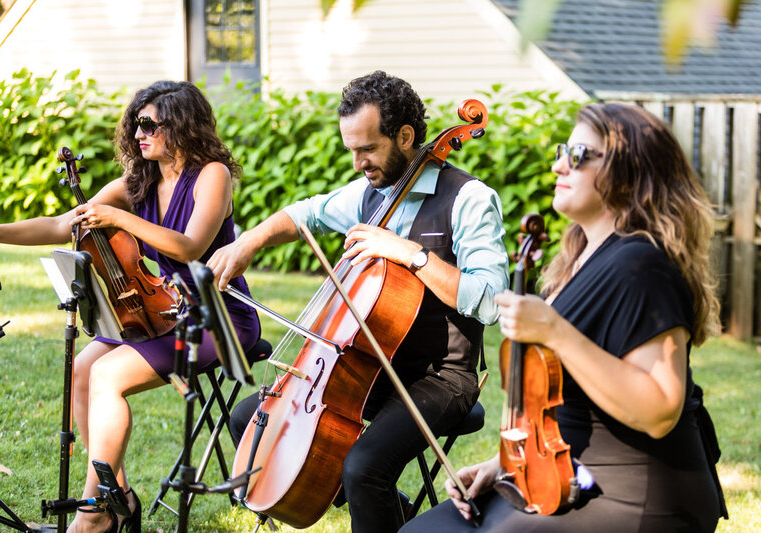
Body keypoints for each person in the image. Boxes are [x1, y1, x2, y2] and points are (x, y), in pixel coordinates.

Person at [401, 102, 728, 533]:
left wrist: (555, 331)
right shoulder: (579, 258)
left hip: (631, 491)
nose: (558, 165)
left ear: (630, 173)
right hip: (559, 472)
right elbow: (561, 403)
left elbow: (660, 410)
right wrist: (501, 464)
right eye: (562, 152)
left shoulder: (643, 264)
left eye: (578, 155)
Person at [206, 70, 509, 533]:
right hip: (366, 362)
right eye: (351, 149)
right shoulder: (371, 194)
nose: (356, 163)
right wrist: (248, 242)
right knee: (252, 420)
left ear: (405, 136)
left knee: (363, 467)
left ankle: (378, 502)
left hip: (439, 376)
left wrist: (411, 254)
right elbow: (305, 213)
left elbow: (490, 301)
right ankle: (394, 515)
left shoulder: (468, 199)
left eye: (367, 149)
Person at [0, 81, 260, 533]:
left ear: (182, 125)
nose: (139, 133)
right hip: (161, 310)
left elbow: (190, 246)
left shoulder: (211, 174)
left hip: (217, 316)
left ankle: (92, 515)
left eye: (150, 124)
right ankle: (119, 499)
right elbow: (62, 225)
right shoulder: (139, 183)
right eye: (137, 124)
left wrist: (119, 217)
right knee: (83, 370)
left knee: (108, 375)